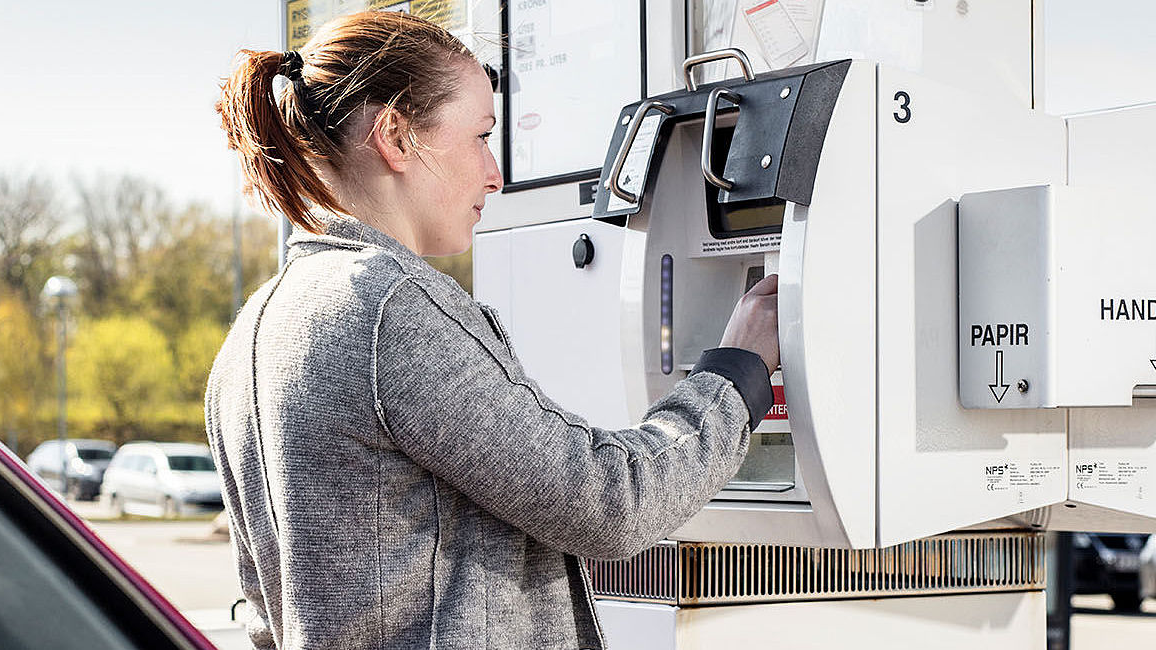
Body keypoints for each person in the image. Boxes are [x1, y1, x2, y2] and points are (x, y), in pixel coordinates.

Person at [207, 11, 779, 649]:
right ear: (396, 136)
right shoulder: (385, 309)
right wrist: (736, 374)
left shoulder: (255, 328)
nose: (495, 174)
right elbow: (609, 502)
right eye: (480, 135)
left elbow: (268, 616)